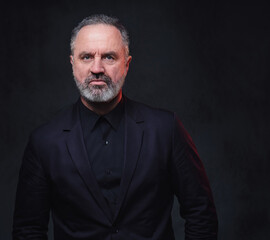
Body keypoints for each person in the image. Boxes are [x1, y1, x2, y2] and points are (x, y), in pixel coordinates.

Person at [13, 14, 218, 239]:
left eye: (109, 57)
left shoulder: (165, 130)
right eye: (87, 57)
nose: (97, 68)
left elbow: (201, 215)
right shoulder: (44, 141)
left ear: (127, 64)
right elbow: (28, 230)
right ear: (73, 64)